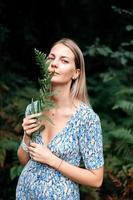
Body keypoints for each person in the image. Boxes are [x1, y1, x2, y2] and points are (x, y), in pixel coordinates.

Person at [16, 38, 104, 200]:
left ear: (76, 73)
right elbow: (24, 160)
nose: (55, 64)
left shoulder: (86, 118)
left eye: (64, 60)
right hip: (25, 194)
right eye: (51, 58)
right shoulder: (34, 108)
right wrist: (26, 135)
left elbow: (96, 179)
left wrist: (52, 160)